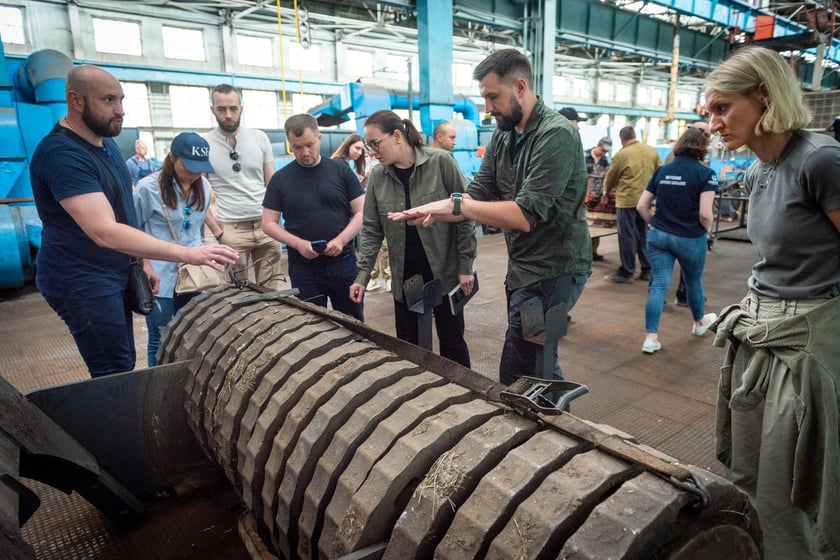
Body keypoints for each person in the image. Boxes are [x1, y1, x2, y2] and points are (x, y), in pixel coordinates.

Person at [706, 46, 840, 560]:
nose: (713, 122)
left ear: (763, 95)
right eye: (710, 111)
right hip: (757, 331)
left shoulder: (820, 159)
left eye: (722, 108)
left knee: (785, 483)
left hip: (803, 341)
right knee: (748, 468)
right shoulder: (760, 170)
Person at [389, 48, 591, 389]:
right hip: (524, 266)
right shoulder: (503, 134)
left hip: (556, 268)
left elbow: (524, 214)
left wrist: (456, 208)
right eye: (484, 98)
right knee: (529, 362)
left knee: (525, 366)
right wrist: (439, 208)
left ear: (521, 87)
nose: (488, 108)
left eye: (493, 97)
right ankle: (552, 419)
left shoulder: (555, 135)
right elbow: (479, 190)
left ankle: (553, 424)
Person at [30, 65, 238, 378]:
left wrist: (139, 262)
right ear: (76, 100)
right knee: (114, 368)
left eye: (122, 100)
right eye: (109, 100)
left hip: (114, 272)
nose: (120, 111)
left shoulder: (106, 145)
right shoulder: (62, 153)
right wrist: (190, 254)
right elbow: (103, 230)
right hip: (83, 279)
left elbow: (123, 214)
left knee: (124, 357)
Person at [349, 110, 477, 367]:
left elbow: (466, 215)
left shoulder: (441, 161)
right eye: (368, 146)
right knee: (408, 348)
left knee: (452, 343)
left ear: (397, 136)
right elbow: (372, 229)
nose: (372, 153)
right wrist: (362, 277)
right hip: (406, 275)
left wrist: (465, 267)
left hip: (446, 271)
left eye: (376, 144)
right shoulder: (378, 177)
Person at [263, 114, 365, 321]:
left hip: (343, 264)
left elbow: (362, 212)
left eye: (309, 145)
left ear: (319, 138)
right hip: (304, 269)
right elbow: (268, 223)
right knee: (310, 326)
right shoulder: (280, 180)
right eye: (297, 147)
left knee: (353, 325)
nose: (305, 152)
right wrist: (298, 244)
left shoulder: (341, 171)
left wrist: (342, 239)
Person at [133, 132, 223, 366]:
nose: (195, 173)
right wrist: (144, 264)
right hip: (159, 278)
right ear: (172, 158)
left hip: (193, 276)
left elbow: (197, 228)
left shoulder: (202, 185)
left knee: (193, 332)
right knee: (160, 337)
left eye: (200, 167)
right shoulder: (148, 188)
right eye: (189, 166)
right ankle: (157, 385)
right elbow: (132, 232)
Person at [636, 127, 718, 354]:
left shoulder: (662, 171)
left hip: (659, 235)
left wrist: (653, 223)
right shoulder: (706, 174)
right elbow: (705, 213)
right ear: (703, 148)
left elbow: (642, 205)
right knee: (693, 282)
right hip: (690, 237)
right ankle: (699, 323)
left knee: (659, 284)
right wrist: (707, 232)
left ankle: (650, 339)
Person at [204, 84, 281, 288]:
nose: (228, 115)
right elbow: (196, 193)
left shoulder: (259, 138)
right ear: (213, 109)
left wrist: (275, 222)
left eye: (233, 108)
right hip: (231, 231)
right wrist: (216, 230)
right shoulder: (205, 145)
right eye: (221, 109)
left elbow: (271, 183)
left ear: (241, 108)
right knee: (238, 293)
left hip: (265, 227)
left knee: (271, 293)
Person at [602, 126, 661, 283]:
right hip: (646, 201)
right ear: (634, 136)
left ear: (622, 139)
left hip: (626, 200)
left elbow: (611, 177)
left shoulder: (621, 155)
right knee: (643, 235)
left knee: (626, 235)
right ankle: (647, 270)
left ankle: (627, 272)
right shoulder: (652, 151)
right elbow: (660, 172)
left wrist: (605, 193)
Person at [332, 133, 391, 292]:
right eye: (357, 148)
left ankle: (380, 277)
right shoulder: (339, 165)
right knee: (366, 244)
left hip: (359, 213)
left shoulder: (347, 166)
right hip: (348, 215)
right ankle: (370, 277)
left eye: (361, 150)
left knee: (376, 245)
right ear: (348, 145)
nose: (359, 152)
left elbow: (355, 189)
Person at [585, 136, 613, 261]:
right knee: (582, 224)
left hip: (597, 196)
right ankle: (581, 252)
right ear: (597, 145)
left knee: (596, 225)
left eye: (606, 152)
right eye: (602, 150)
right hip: (582, 196)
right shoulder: (583, 156)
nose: (603, 153)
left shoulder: (605, 161)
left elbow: (607, 178)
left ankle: (593, 252)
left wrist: (604, 195)